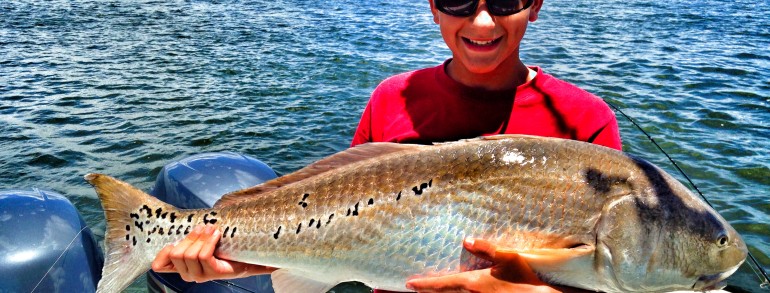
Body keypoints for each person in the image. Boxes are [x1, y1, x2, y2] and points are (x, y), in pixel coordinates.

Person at [152, 0, 622, 292]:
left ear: (534, 4)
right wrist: (223, 264)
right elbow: (337, 233)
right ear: (432, 6)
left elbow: (612, 273)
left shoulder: (588, 119)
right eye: (457, 0)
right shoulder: (391, 98)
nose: (481, 20)